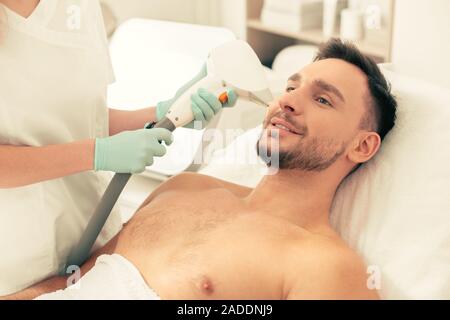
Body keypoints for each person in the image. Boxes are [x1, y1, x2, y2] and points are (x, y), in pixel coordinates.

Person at [2, 38, 397, 300]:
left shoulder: (327, 268)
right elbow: (65, 286)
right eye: (290, 87)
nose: (288, 101)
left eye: (324, 100)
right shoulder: (184, 189)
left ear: (362, 145)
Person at [0, 0, 236, 296]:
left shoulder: (81, 8)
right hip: (15, 262)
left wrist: (166, 112)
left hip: (96, 241)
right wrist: (98, 153)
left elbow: (81, 117)